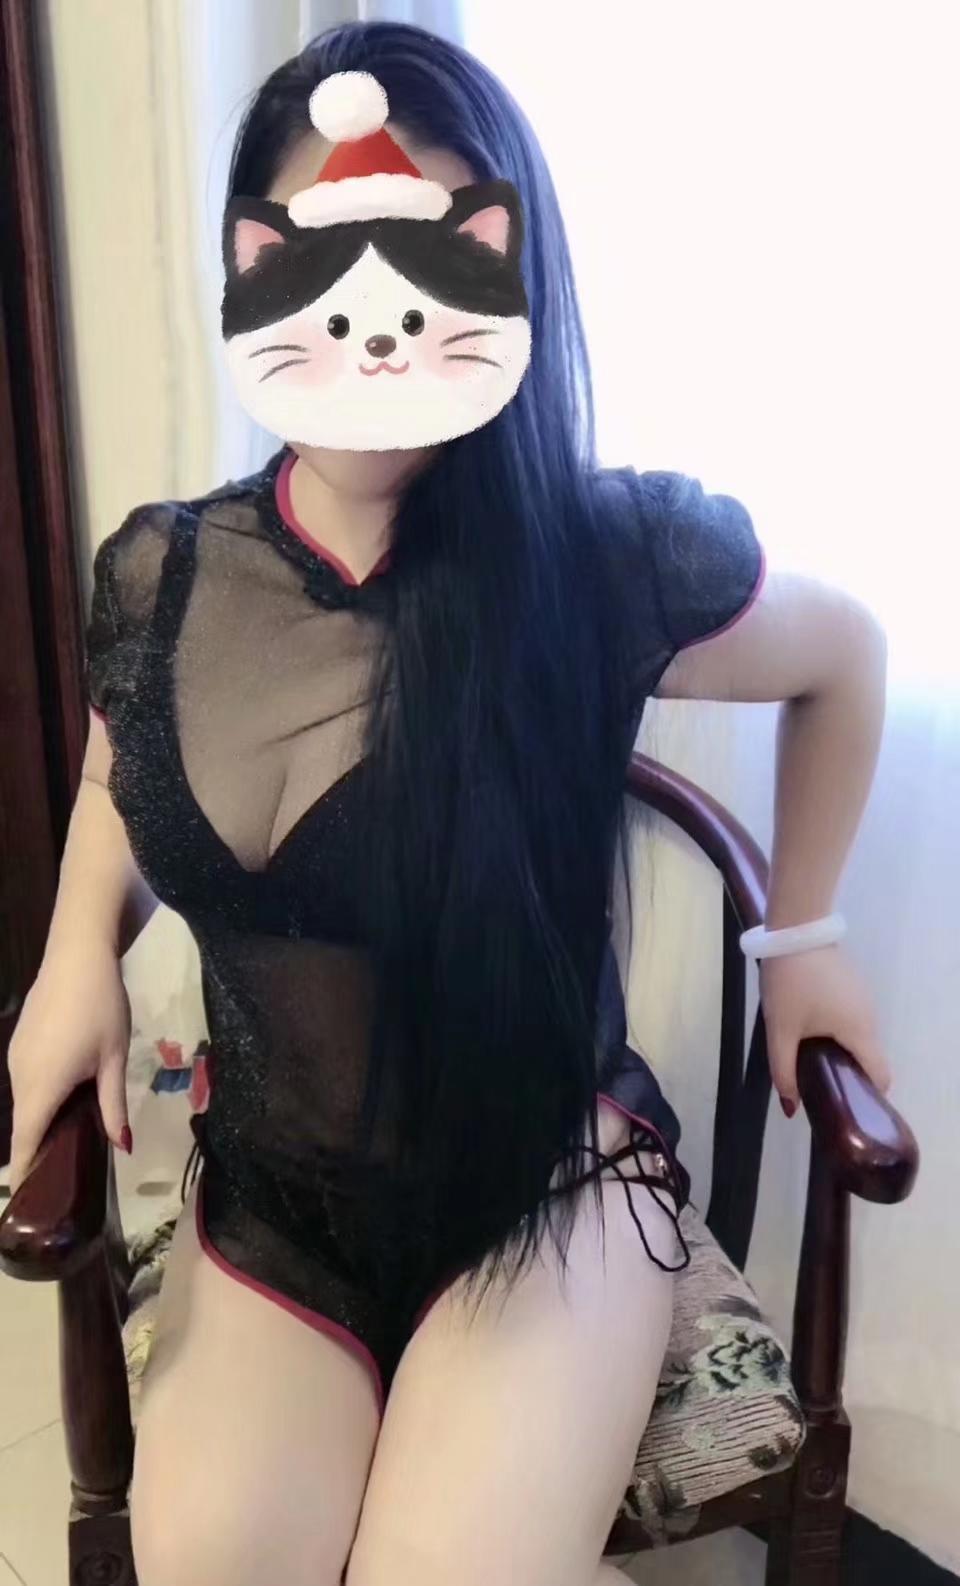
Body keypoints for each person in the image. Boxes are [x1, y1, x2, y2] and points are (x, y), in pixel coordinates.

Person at [7, 20, 892, 1586]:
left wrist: (802, 937)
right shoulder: (169, 576)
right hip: (278, 1201)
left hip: (548, 1188)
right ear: (257, 276)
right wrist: (79, 946)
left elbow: (846, 653)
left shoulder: (605, 559)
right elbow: (117, 765)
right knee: (216, 1563)